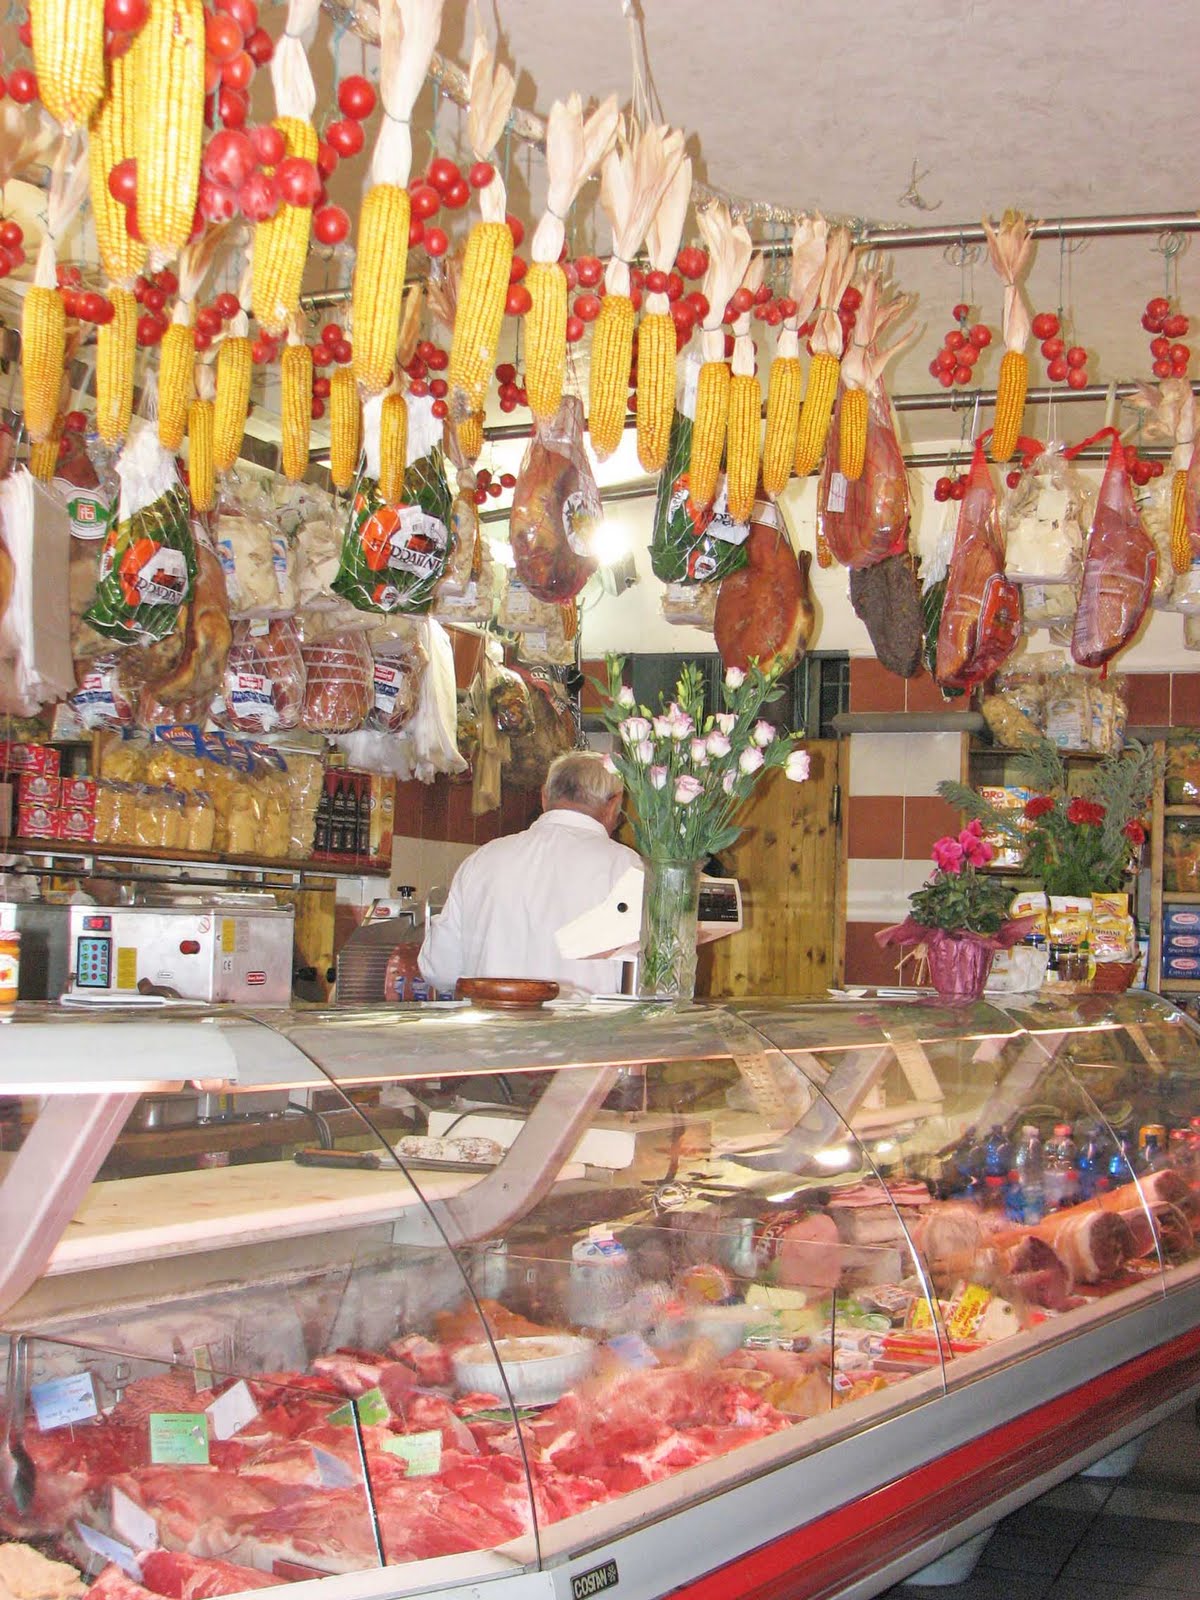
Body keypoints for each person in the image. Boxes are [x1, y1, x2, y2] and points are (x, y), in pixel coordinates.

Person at [418, 750, 642, 995]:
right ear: (613, 804)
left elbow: (440, 970)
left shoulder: (483, 860)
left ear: (544, 797)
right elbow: (649, 979)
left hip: (491, 1030)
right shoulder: (629, 867)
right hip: (589, 1031)